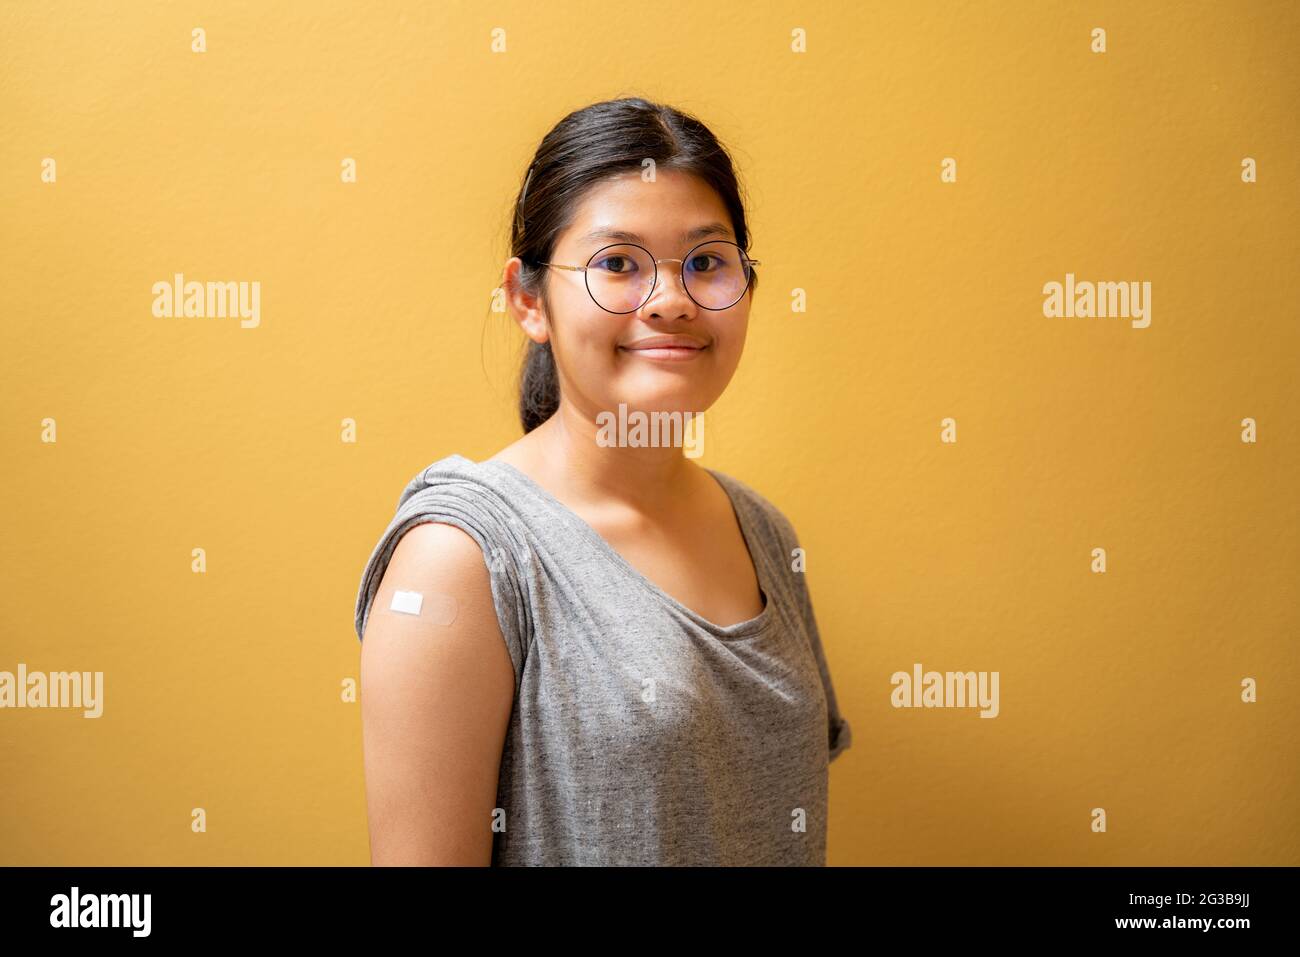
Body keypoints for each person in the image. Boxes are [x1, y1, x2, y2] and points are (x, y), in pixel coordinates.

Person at [354, 96, 851, 866]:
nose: (671, 301)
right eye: (617, 263)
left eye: (707, 262)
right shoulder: (463, 557)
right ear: (527, 300)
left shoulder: (764, 533)